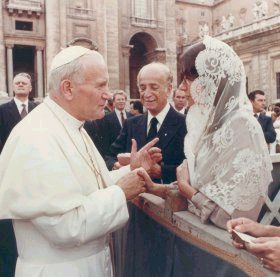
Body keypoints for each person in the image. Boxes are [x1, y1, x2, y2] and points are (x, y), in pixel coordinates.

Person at [0, 46, 163, 277]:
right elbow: (66, 225)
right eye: (100, 85)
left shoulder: (71, 124)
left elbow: (86, 187)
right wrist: (121, 192)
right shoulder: (36, 136)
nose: (108, 94)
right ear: (68, 88)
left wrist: (132, 169)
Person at [175, 36, 272, 229]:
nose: (182, 88)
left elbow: (234, 217)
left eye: (187, 79)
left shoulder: (243, 126)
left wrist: (187, 191)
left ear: (211, 81)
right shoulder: (212, 126)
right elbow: (205, 187)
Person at [105, 62, 187, 183]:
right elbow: (109, 157)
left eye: (154, 87)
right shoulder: (131, 124)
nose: (147, 94)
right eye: (142, 88)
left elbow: (193, 169)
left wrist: (161, 171)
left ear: (169, 89)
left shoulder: (185, 124)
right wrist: (119, 166)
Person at [0, 72, 37, 277]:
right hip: (11, 173)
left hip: (35, 173)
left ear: (31, 87)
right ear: (13, 87)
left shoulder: (38, 110)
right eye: (17, 82)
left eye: (24, 82)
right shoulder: (2, 110)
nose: (21, 84)